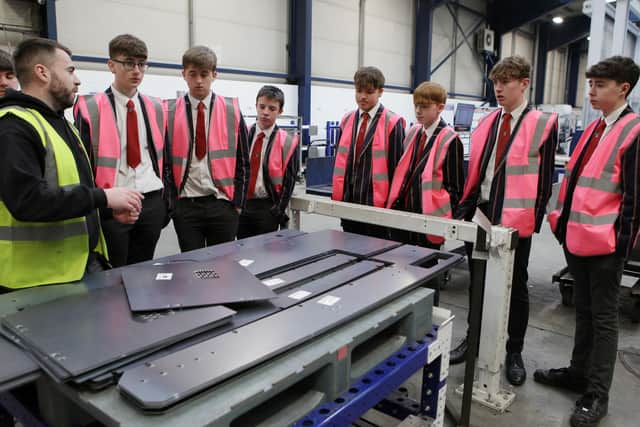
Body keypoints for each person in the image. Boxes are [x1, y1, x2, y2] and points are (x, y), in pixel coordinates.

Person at [535, 56, 640, 427]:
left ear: (623, 88)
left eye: (600, 85)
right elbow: (579, 181)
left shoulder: (633, 130)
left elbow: (633, 200)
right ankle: (578, 373)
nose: (591, 91)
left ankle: (597, 394)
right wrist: (562, 226)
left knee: (605, 319)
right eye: (590, 84)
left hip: (606, 248)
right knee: (583, 312)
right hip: (577, 240)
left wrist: (621, 249)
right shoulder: (597, 128)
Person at [451, 55, 558, 387]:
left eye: (506, 82)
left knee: (517, 288)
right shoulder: (487, 123)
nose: (498, 88)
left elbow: (543, 180)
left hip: (515, 220)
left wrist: (531, 220)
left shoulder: (542, 123)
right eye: (495, 82)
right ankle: (473, 339)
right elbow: (479, 170)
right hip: (481, 213)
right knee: (478, 281)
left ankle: (514, 351)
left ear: (524, 83)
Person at [74, 34, 168, 267]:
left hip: (151, 199)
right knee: (113, 271)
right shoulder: (89, 107)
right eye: (129, 63)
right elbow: (83, 164)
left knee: (144, 269)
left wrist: (166, 205)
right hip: (113, 201)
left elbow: (163, 157)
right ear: (111, 65)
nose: (136, 70)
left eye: (142, 63)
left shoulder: (157, 106)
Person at [165, 45, 249, 251]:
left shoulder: (232, 111)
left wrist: (237, 203)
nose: (199, 81)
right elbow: (164, 163)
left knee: (223, 266)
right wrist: (171, 204)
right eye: (192, 74)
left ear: (214, 75)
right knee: (191, 266)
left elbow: (244, 162)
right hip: (186, 206)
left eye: (204, 74)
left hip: (222, 204)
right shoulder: (168, 112)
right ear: (183, 74)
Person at [386, 81, 464, 249]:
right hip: (404, 213)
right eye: (416, 106)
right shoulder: (413, 132)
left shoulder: (450, 139)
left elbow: (455, 188)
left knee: (426, 266)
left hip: (430, 217)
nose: (418, 111)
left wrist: (443, 219)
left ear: (440, 107)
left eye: (424, 106)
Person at [332, 66, 405, 238]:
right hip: (348, 201)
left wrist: (392, 206)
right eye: (358, 91)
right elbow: (340, 160)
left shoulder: (393, 122)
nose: (362, 96)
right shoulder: (347, 120)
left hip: (376, 203)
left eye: (369, 92)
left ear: (380, 92)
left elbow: (396, 169)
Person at [237, 85, 299, 238]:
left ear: (280, 111)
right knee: (241, 253)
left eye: (272, 109)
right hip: (242, 206)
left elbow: (289, 181)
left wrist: (278, 209)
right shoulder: (242, 135)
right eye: (262, 106)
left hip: (267, 207)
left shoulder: (288, 142)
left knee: (265, 256)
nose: (265, 112)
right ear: (256, 105)